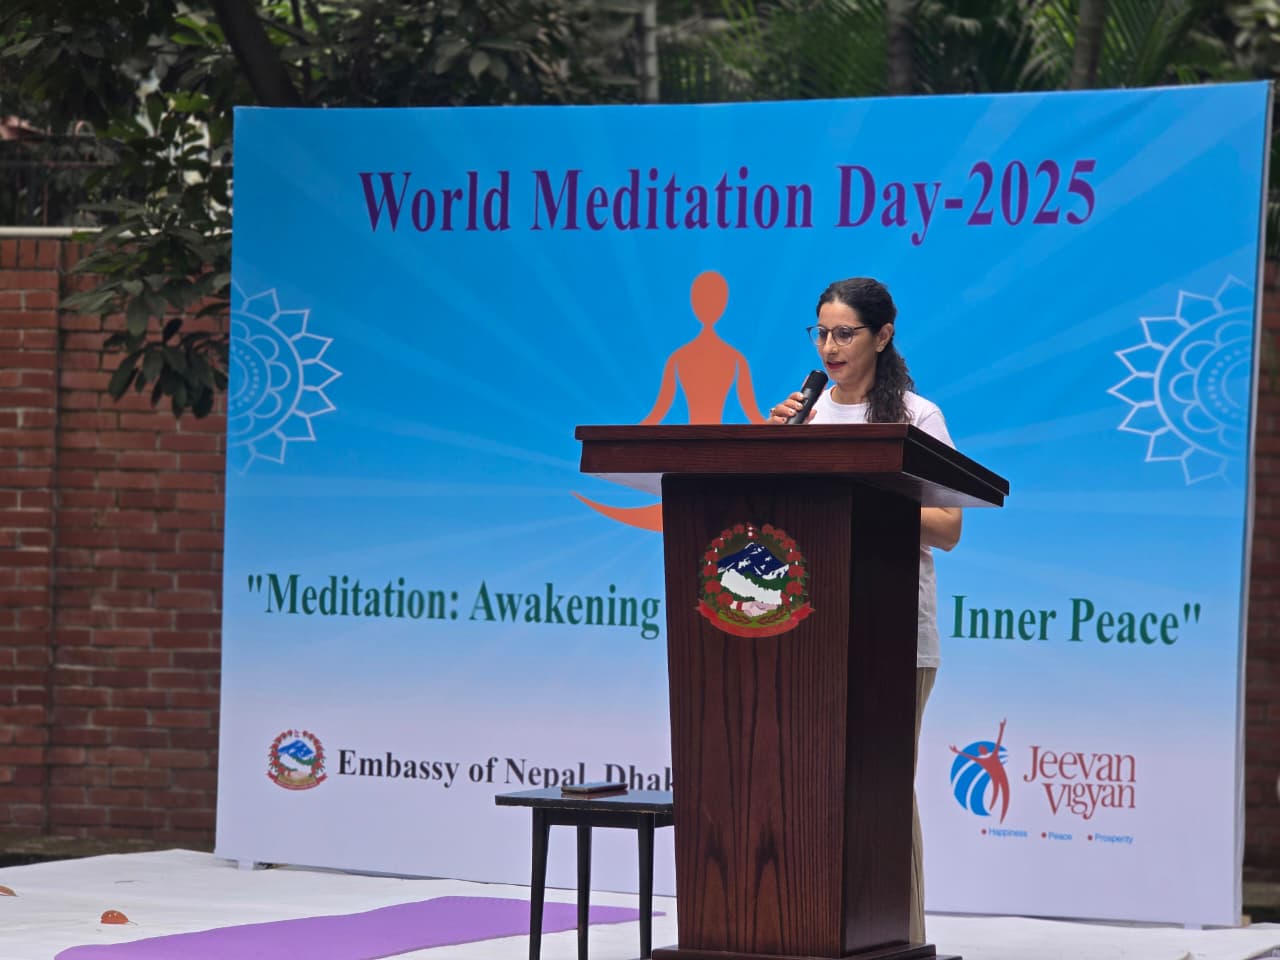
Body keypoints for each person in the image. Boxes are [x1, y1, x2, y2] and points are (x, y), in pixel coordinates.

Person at [768, 276, 961, 946]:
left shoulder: (915, 418)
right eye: (821, 333)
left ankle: (899, 938)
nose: (830, 347)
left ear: (882, 336)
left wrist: (865, 490)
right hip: (807, 631)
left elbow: (947, 527)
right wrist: (771, 451)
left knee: (882, 789)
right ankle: (818, 931)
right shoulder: (806, 415)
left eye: (844, 333)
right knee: (810, 784)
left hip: (894, 635)